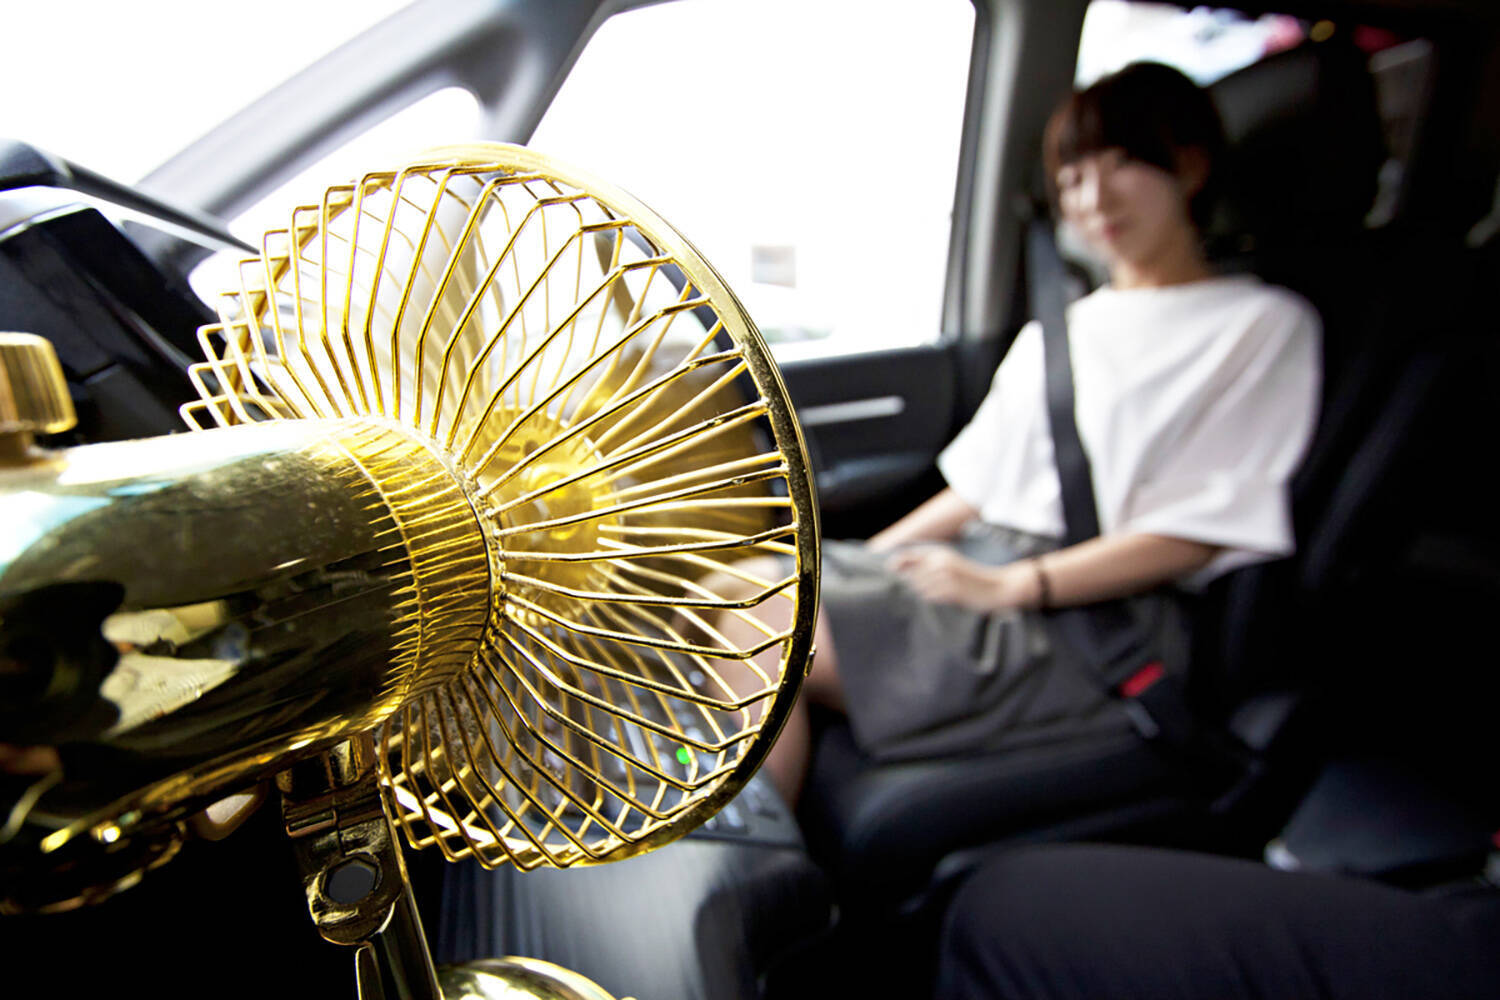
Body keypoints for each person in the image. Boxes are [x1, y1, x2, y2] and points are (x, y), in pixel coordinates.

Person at [729, 62, 1321, 806]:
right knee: (734, 582)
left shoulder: (1259, 326)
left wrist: (1017, 586)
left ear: (1191, 167)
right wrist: (865, 562)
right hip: (989, 564)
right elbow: (978, 489)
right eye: (1073, 178)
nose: (1094, 197)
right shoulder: (1062, 331)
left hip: (1095, 616)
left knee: (760, 621)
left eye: (1123, 162)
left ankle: (750, 860)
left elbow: (1199, 530)